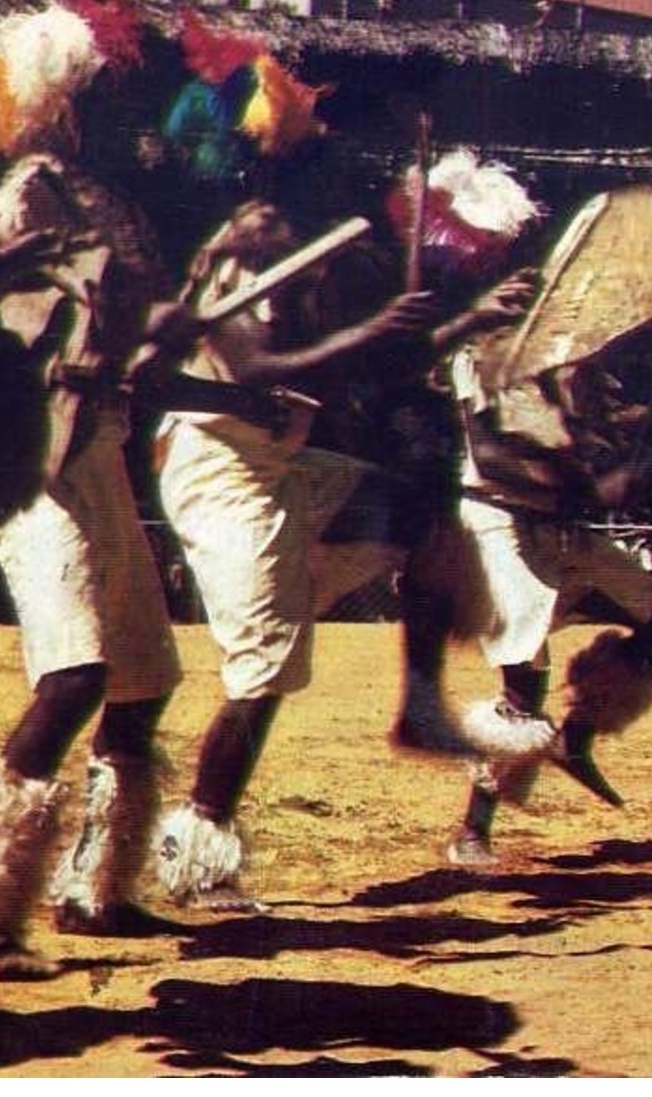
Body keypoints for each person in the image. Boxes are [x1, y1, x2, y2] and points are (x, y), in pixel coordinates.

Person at [150, 200, 536, 907]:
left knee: (420, 513)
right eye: (271, 213)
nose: (284, 222)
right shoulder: (236, 275)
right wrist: (372, 328)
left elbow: (382, 366)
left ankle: (419, 707)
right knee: (265, 666)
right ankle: (203, 846)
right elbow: (256, 366)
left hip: (287, 464)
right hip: (220, 469)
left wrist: (473, 319)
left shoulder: (306, 278)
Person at [0, 0, 194, 980]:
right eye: (98, 94)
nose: (116, 112)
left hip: (104, 452)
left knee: (143, 680)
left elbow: (143, 340)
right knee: (76, 674)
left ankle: (98, 888)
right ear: (59, 105)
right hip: (42, 459)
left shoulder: (107, 203)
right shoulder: (24, 199)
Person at [434, 342, 652, 865]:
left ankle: (574, 738)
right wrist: (590, 492)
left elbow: (624, 419)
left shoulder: (565, 358)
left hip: (559, 526)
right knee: (525, 681)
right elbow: (489, 455)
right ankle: (473, 830)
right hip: (497, 523)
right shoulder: (482, 356)